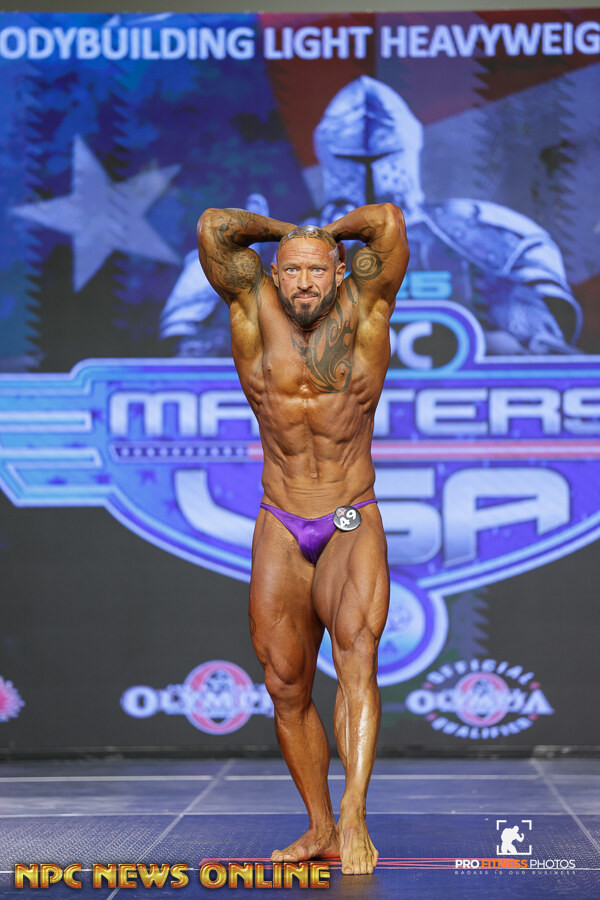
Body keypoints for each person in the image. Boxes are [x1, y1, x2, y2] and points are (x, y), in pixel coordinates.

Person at [197, 202, 409, 875]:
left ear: (339, 271)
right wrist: (289, 231)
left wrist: (323, 233)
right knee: (285, 683)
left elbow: (388, 222)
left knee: (356, 660)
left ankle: (354, 815)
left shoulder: (366, 305)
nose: (305, 282)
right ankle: (320, 824)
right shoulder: (251, 305)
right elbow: (213, 227)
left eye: (317, 269)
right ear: (274, 273)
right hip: (281, 518)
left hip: (349, 513)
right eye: (291, 271)